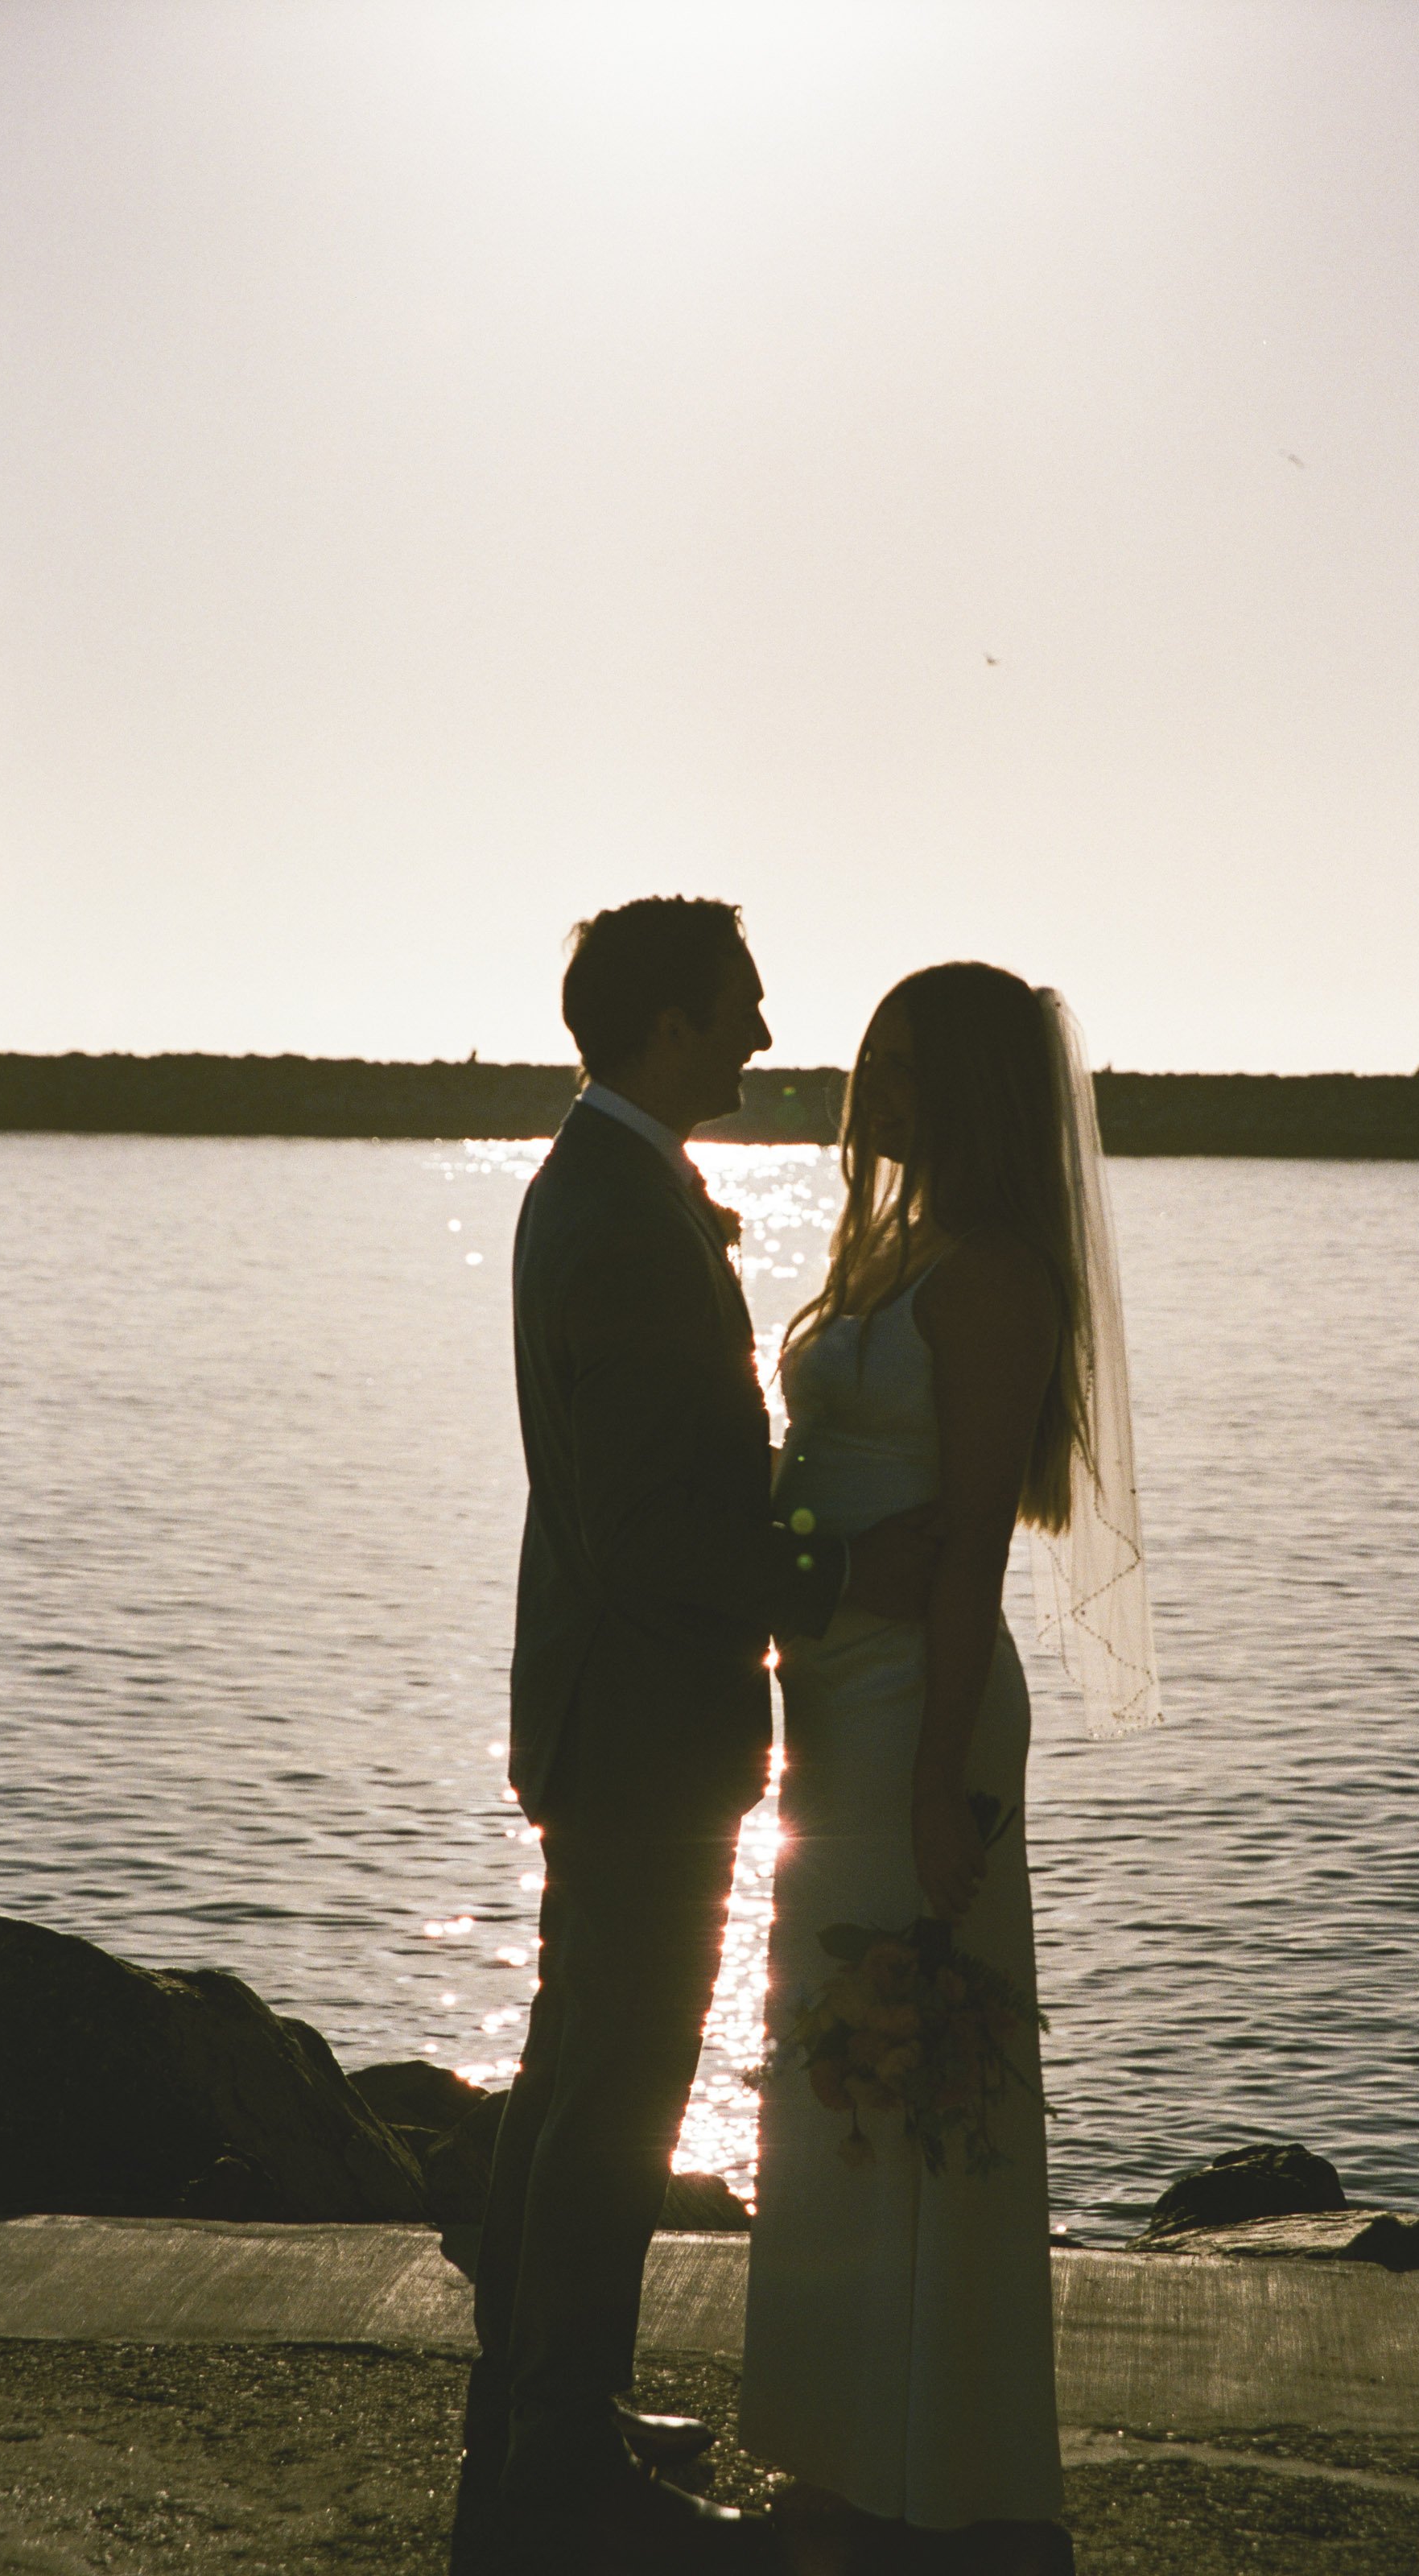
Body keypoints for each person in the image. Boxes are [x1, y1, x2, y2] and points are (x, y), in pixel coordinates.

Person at [452, 898, 941, 2575]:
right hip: (647, 1721)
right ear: (664, 1020)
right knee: (616, 2088)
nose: (756, 1024)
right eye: (733, 1002)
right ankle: (554, 2462)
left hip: (597, 1705)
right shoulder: (624, 1219)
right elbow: (677, 1531)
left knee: (568, 2065)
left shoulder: (594, 1186)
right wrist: (838, 1566)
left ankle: (530, 2411)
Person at [740, 963, 1160, 2575]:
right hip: (829, 1693)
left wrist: (932, 1786)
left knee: (919, 2067)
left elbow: (973, 1546)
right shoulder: (885, 1250)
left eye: (912, 1067)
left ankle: (944, 2457)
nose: (877, 1091)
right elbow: (798, 1498)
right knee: (828, 2059)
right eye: (873, 1060)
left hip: (924, 1703)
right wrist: (807, 1567)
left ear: (980, 1088)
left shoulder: (989, 1277)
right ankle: (845, 2437)